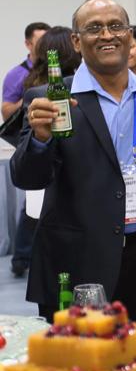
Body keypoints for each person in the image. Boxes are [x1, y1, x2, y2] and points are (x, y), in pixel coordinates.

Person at [11, 0, 136, 335]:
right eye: (94, 28)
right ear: (76, 41)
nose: (107, 35)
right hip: (77, 262)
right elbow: (26, 177)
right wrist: (40, 139)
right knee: (78, 362)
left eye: (116, 26)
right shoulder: (49, 98)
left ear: (130, 36)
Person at [11, 27, 81, 280]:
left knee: (34, 214)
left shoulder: (34, 81)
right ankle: (22, 257)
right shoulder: (41, 90)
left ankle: (21, 257)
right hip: (52, 173)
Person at [2, 22, 50, 120]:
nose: (46, 46)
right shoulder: (15, 74)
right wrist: (30, 97)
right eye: (41, 42)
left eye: (48, 41)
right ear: (28, 44)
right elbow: (6, 114)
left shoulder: (57, 69)